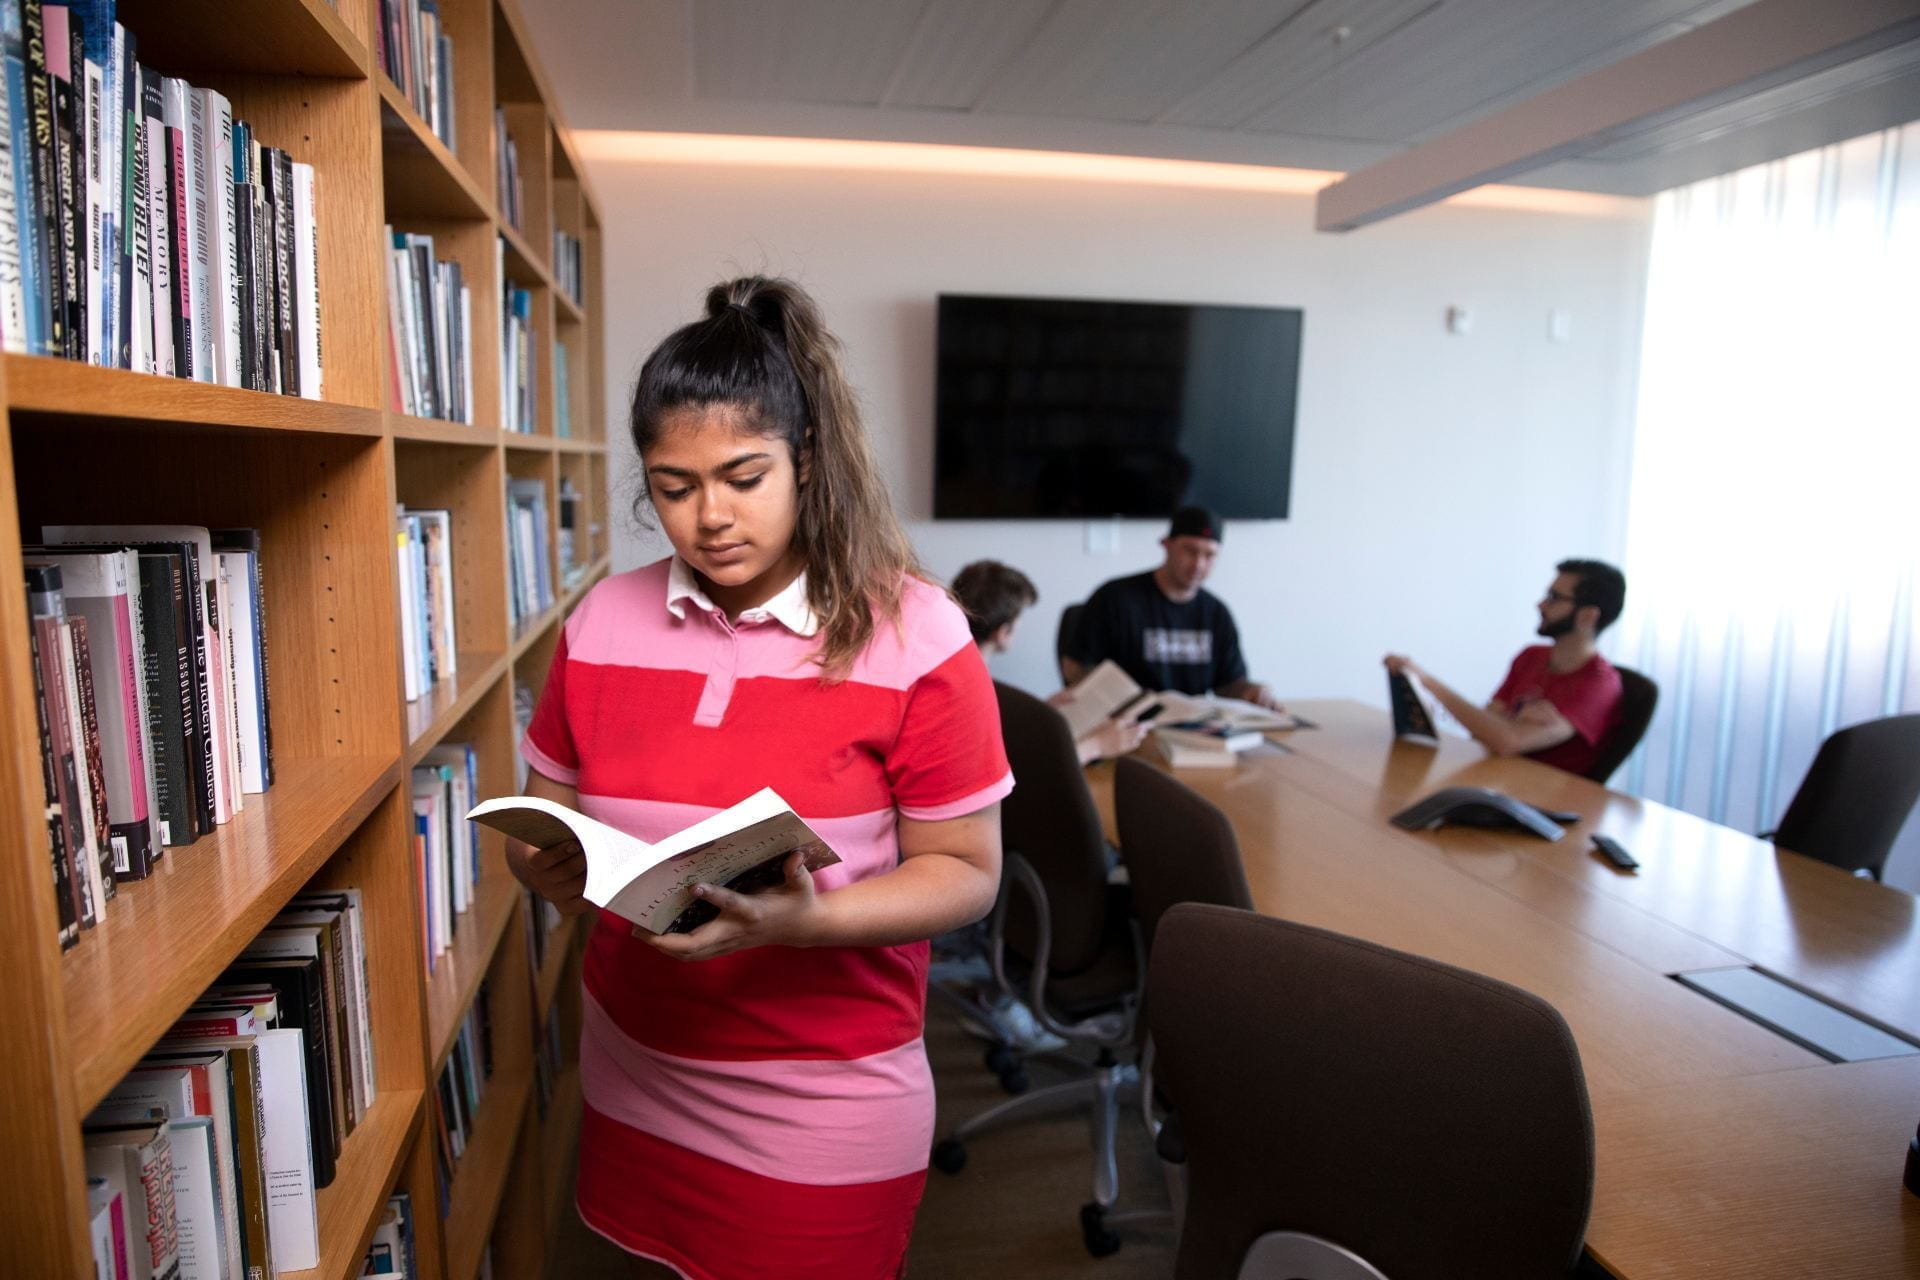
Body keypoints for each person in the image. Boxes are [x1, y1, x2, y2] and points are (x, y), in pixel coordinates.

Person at [504, 277, 1010, 1280]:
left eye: (744, 476)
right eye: (675, 485)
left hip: (822, 1104)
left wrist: (805, 921)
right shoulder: (602, 621)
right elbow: (549, 817)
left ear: (807, 462)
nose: (710, 517)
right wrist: (543, 863)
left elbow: (966, 869)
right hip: (634, 1071)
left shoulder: (916, 630)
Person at [1384, 559, 1627, 777]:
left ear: (1588, 616)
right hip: (1498, 779)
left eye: (1554, 598)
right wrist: (1510, 724)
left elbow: (1507, 742)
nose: (1540, 605)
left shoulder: (1599, 684)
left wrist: (1426, 680)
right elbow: (1484, 730)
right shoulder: (1531, 657)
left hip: (1543, 807)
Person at [1061, 505, 1283, 709]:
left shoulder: (1216, 613)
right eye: (1190, 551)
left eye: (1209, 555)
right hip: (1126, 723)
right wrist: (1118, 702)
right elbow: (1074, 666)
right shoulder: (1115, 598)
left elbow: (1227, 683)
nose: (1198, 564)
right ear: (1166, 545)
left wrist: (1251, 692)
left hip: (1191, 724)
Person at [951, 558, 1148, 763]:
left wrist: (1043, 711)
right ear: (1003, 632)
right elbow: (1020, 771)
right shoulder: (972, 689)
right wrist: (1096, 746)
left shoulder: (957, 672)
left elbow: (999, 736)